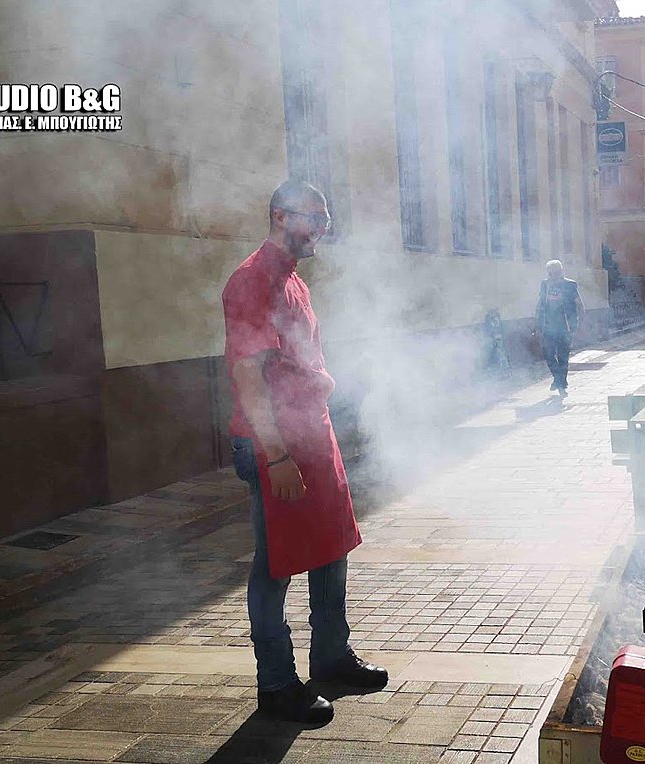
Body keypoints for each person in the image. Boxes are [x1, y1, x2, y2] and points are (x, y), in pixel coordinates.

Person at [222, 180, 387, 724]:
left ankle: (332, 658)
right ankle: (275, 685)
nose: (321, 228)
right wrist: (276, 456)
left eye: (326, 219)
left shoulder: (295, 281)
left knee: (330, 547)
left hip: (312, 433)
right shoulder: (251, 281)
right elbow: (249, 377)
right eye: (313, 218)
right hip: (277, 444)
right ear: (278, 216)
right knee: (275, 567)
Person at [535, 259, 584, 397]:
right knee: (548, 354)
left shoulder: (570, 285)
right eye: (551, 273)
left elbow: (579, 304)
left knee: (563, 356)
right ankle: (559, 379)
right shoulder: (544, 285)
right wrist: (537, 323)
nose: (553, 276)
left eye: (556, 272)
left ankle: (560, 383)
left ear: (561, 272)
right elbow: (540, 305)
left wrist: (579, 325)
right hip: (548, 326)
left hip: (565, 327)